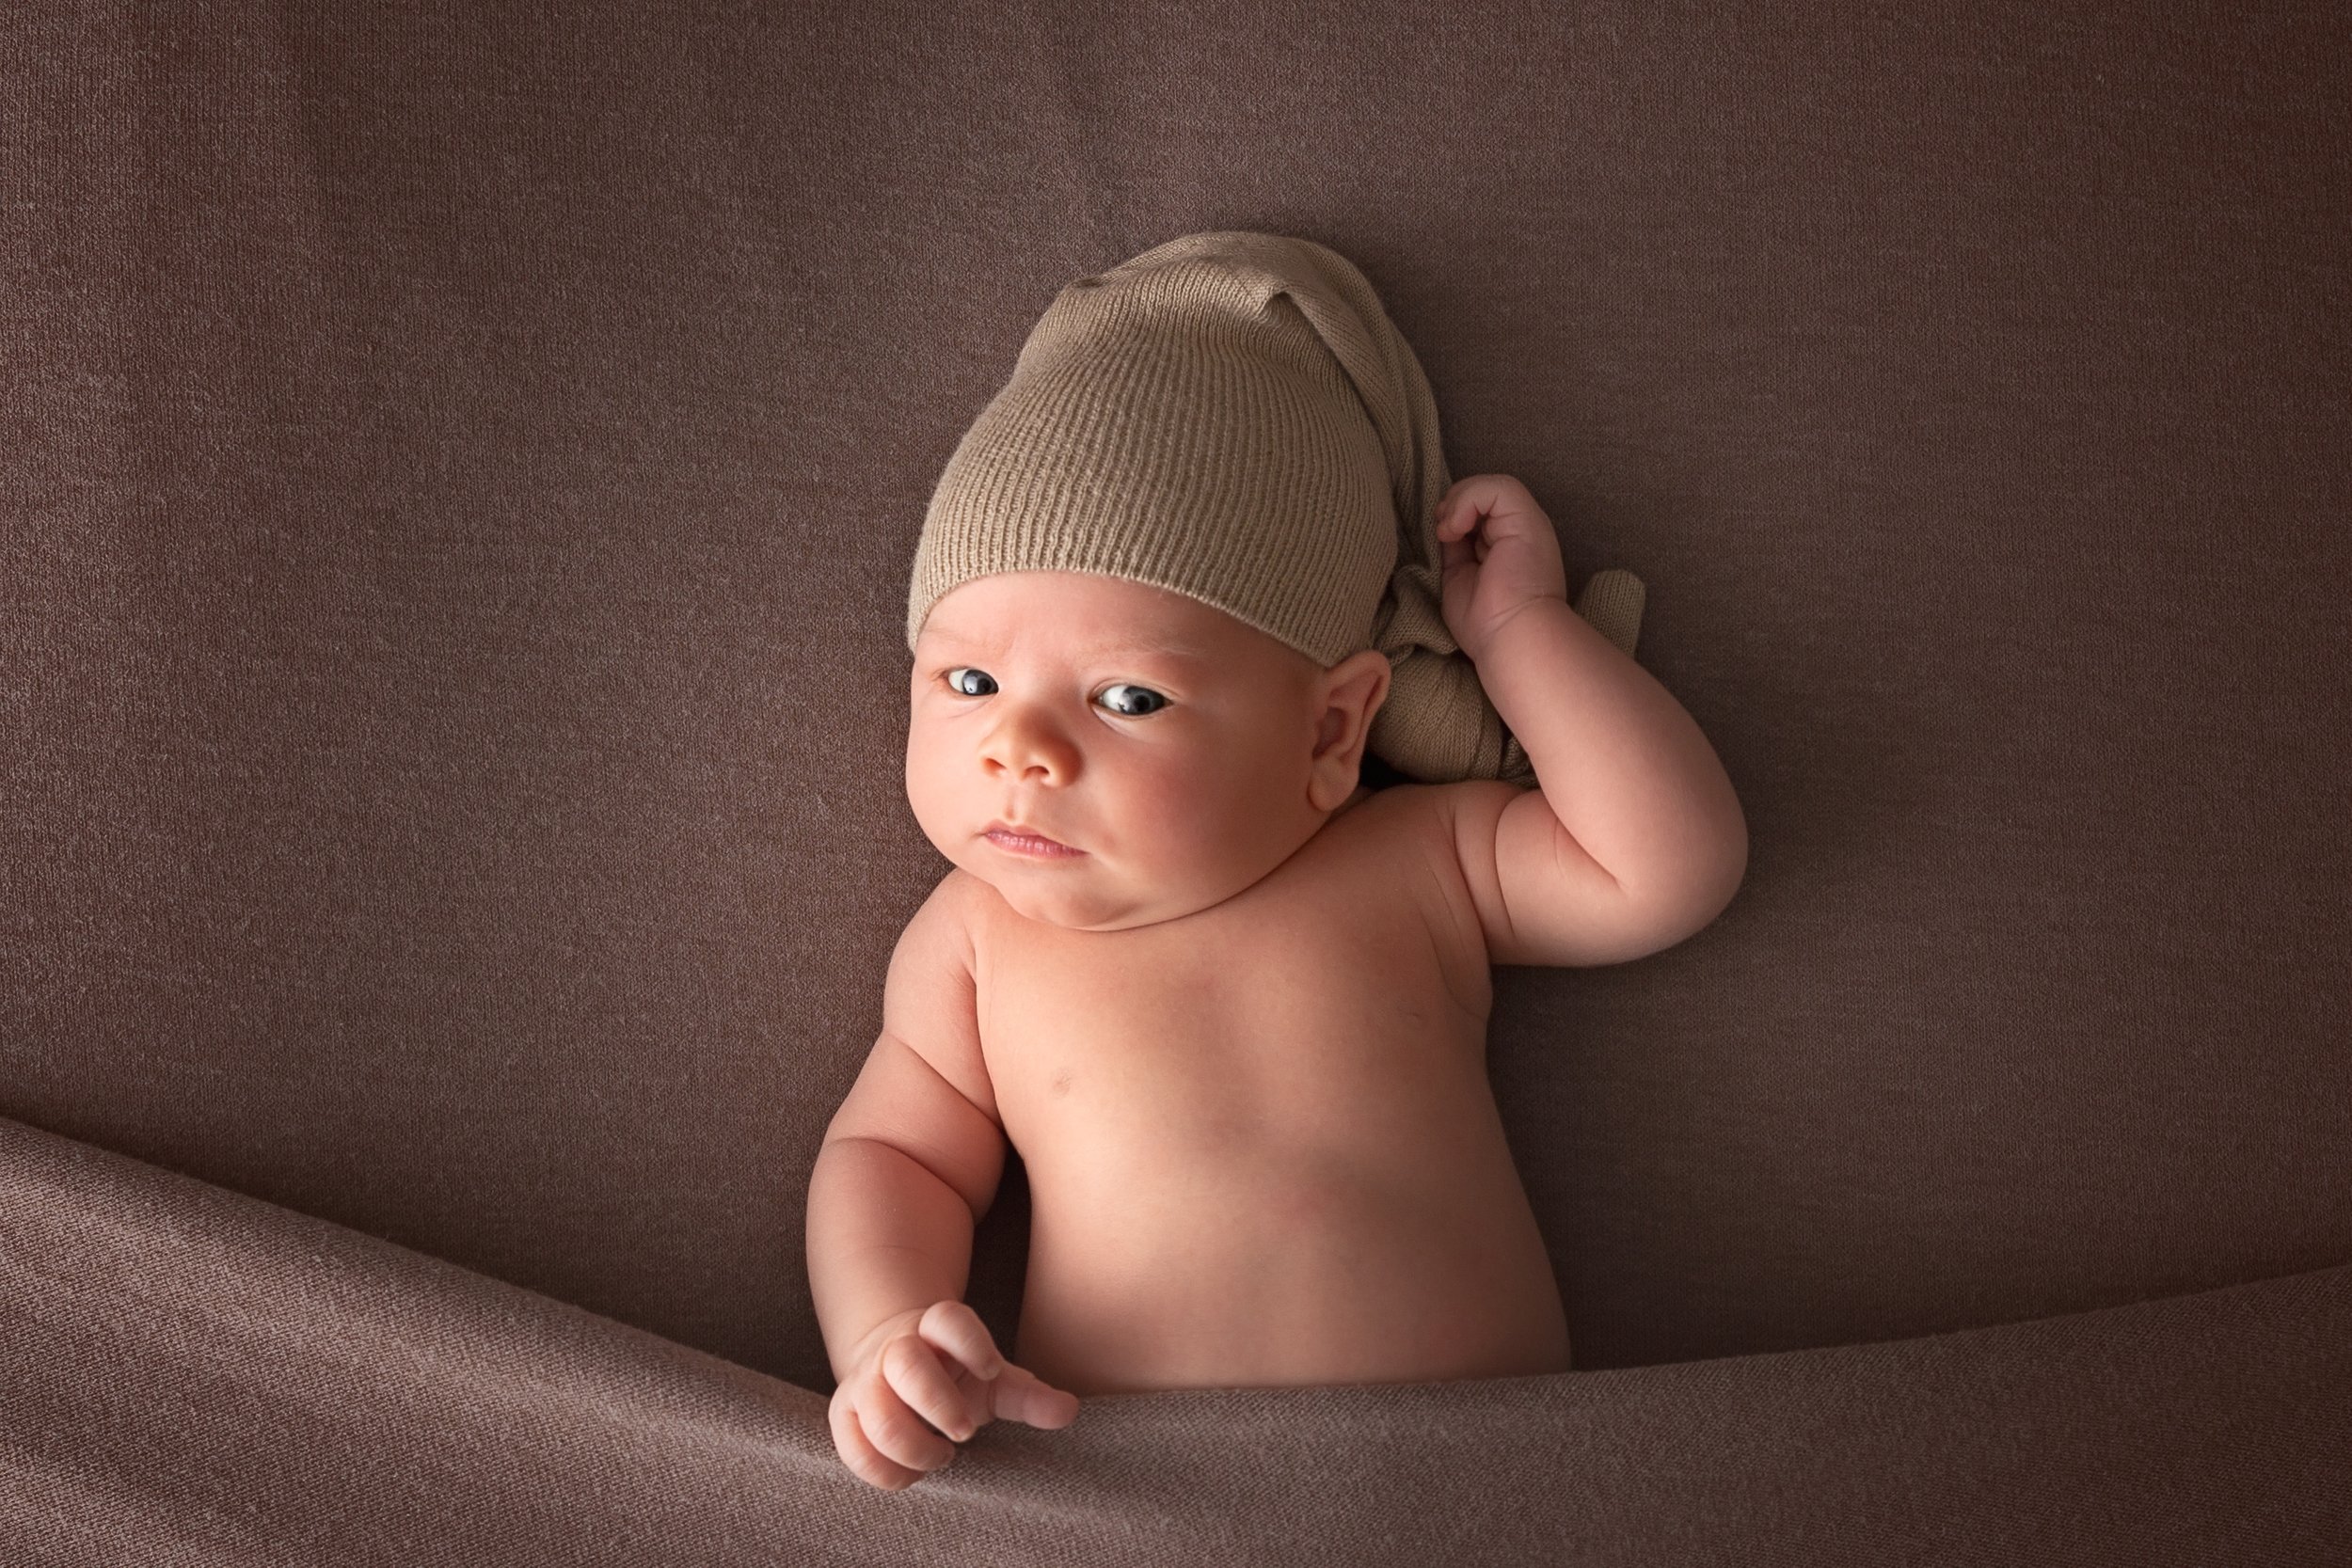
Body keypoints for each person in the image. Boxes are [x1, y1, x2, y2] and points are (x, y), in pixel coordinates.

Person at [805, 232, 1748, 1492]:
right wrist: (884, 1334)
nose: (1017, 746)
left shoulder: (1421, 863)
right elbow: (893, 1158)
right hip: (1144, 1500)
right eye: (967, 680)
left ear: (1331, 728)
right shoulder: (976, 938)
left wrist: (1521, 632)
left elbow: (1670, 866)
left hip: (1481, 1487)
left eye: (1128, 698)